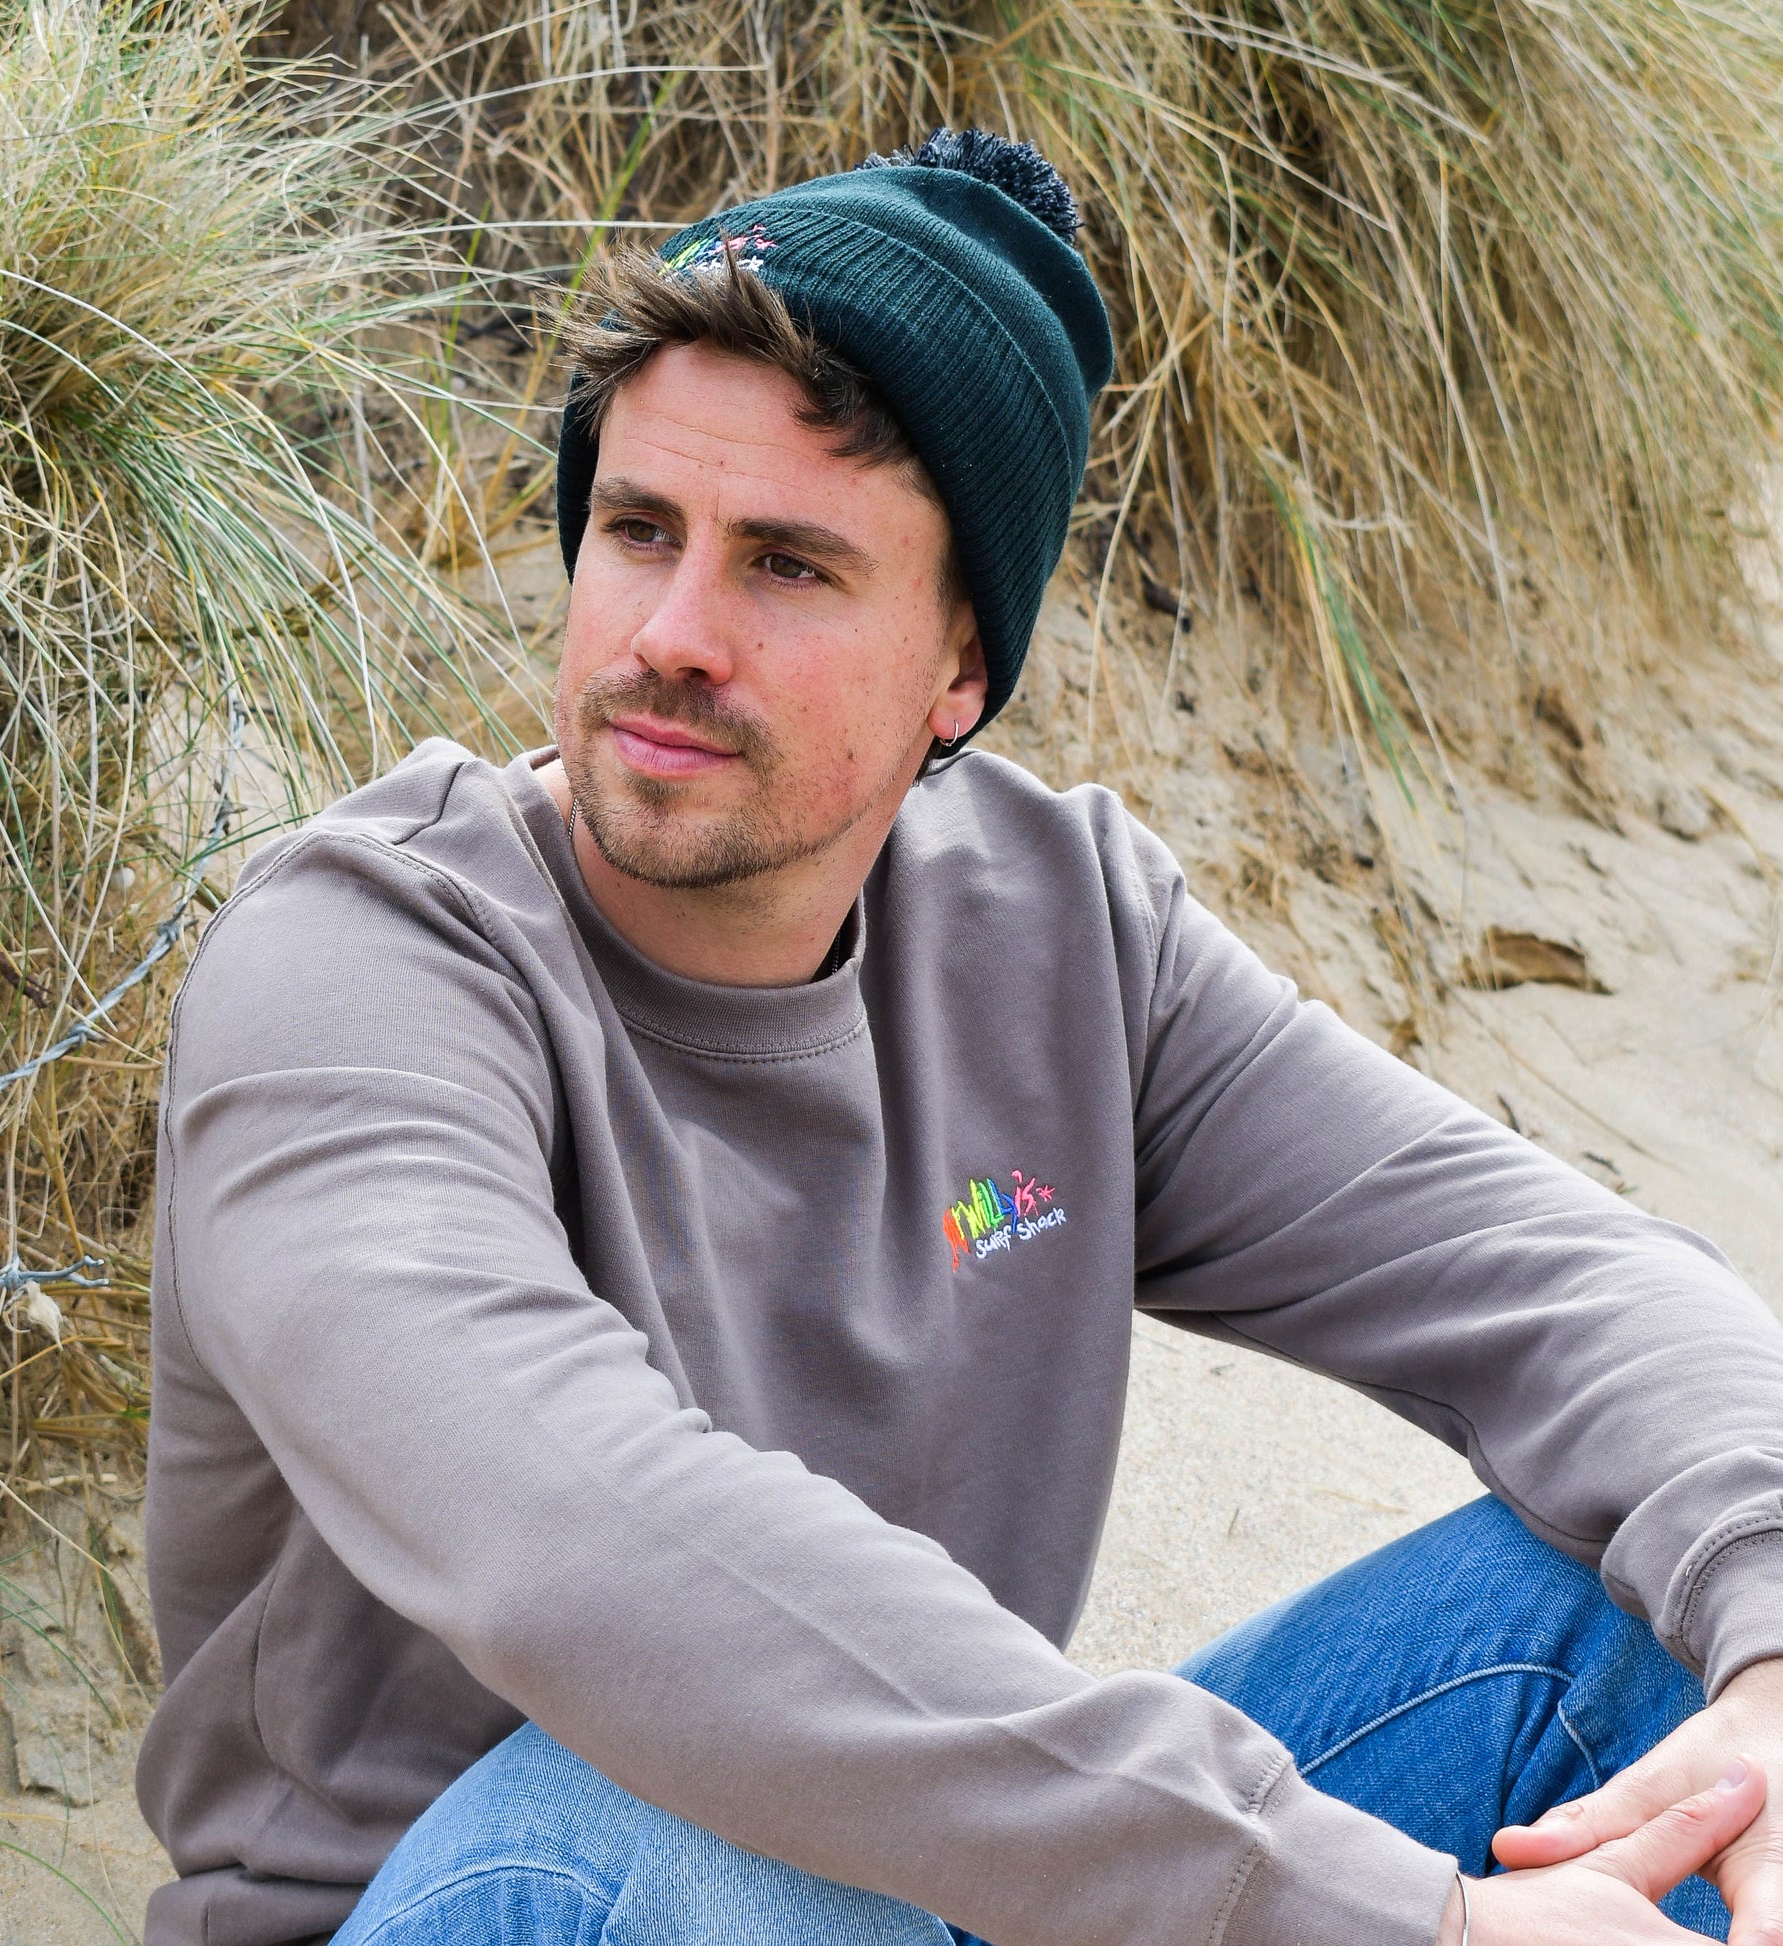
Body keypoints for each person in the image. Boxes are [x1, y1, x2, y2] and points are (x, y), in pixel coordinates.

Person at [137, 131, 1783, 1946]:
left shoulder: (1064, 935)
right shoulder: (357, 970)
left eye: (787, 565)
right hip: (514, 1902)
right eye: (635, 532)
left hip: (914, 1898)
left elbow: (1565, 1283)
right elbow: (594, 1554)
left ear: (959, 671)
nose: (671, 635)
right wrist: (1404, 1923)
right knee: (652, 1796)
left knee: (1665, 1620)